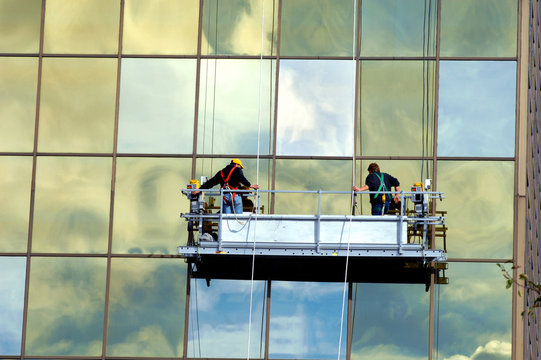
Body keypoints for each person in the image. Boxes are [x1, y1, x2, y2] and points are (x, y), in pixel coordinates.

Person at [194, 159, 259, 214]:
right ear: (237, 164)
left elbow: (211, 182)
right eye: (240, 167)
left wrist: (200, 189)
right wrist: (250, 185)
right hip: (235, 196)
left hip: (225, 197)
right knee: (239, 216)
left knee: (227, 218)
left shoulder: (221, 172)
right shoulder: (237, 169)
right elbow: (242, 178)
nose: (240, 168)